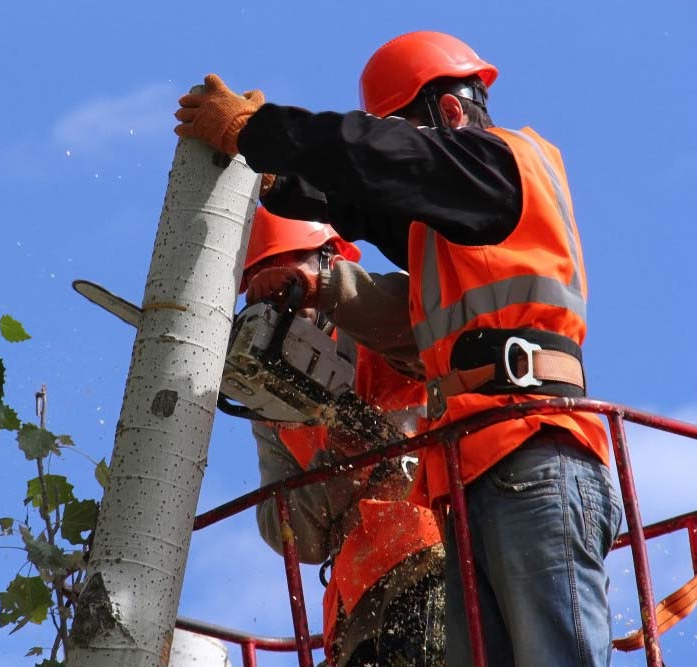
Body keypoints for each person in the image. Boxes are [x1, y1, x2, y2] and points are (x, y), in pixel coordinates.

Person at [177, 31, 623, 667]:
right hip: (470, 473)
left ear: (447, 113)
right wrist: (277, 179)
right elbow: (366, 199)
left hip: (532, 448)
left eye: (405, 129)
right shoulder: (452, 222)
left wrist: (262, 130)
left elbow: (379, 160)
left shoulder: (501, 164)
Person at [243, 206, 444, 666]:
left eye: (285, 281)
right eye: (262, 289)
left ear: (330, 260)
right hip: (353, 601)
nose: (278, 301)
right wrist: (334, 467)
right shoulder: (269, 402)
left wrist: (376, 436)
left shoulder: (386, 309)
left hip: (433, 550)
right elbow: (291, 537)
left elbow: (441, 340)